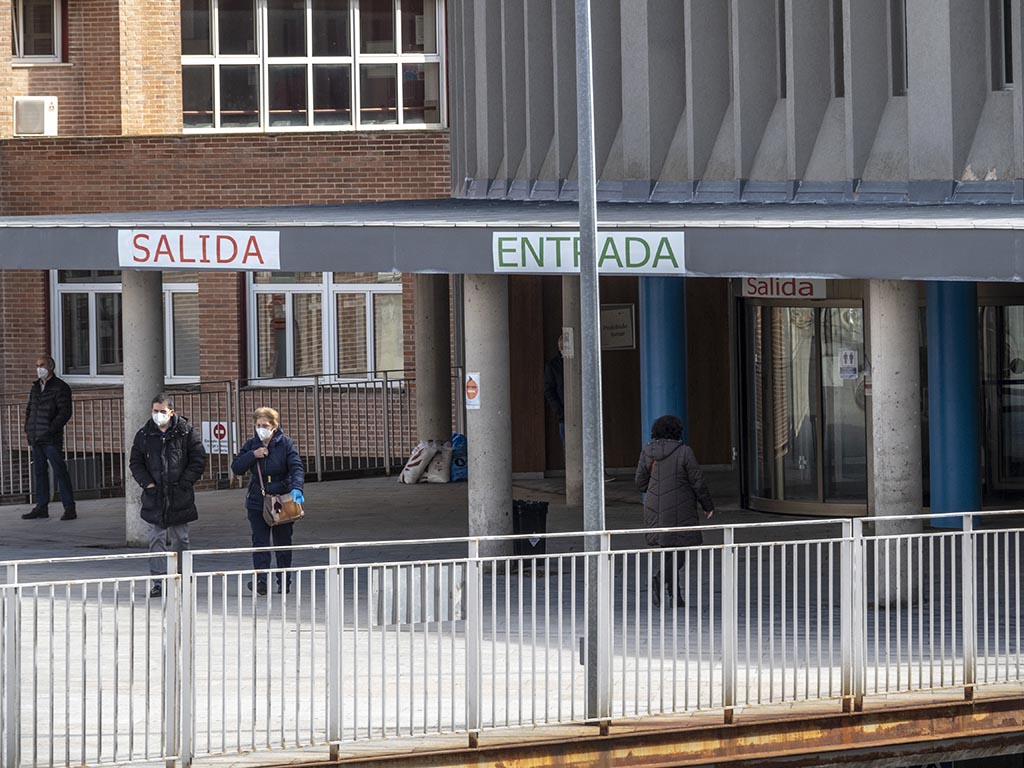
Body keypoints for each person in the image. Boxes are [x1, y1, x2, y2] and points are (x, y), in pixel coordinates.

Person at [129, 393, 208, 598]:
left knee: (181, 538)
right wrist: (148, 484)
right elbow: (136, 463)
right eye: (155, 411)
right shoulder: (144, 435)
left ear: (171, 412)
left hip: (179, 495)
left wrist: (185, 483)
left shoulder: (186, 432)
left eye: (162, 411)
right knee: (157, 539)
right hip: (155, 496)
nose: (158, 415)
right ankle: (159, 581)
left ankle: (181, 576)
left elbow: (198, 459)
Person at [634, 414, 714, 607]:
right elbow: (697, 481)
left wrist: (655, 489)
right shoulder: (685, 452)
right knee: (680, 551)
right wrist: (707, 505)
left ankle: (675, 596)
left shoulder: (647, 451)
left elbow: (640, 482)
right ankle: (659, 580)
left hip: (654, 506)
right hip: (681, 507)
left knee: (669, 550)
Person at [230, 407, 305, 596]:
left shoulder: (285, 443)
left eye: (265, 425)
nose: (261, 429)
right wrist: (252, 455)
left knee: (282, 542)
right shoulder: (251, 444)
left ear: (274, 426)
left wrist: (296, 487)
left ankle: (284, 581)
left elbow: (296, 467)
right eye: (258, 425)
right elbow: (237, 467)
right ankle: (261, 580)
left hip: (281, 498)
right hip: (258, 498)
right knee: (260, 542)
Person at [22, 355, 77, 520]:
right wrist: (28, 427)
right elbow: (30, 409)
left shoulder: (60, 387)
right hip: (36, 437)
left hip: (51, 438)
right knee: (40, 473)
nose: (39, 368)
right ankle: (41, 507)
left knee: (60, 471)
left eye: (42, 365)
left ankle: (69, 508)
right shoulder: (36, 387)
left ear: (51, 366)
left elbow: (65, 412)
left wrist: (50, 429)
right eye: (37, 365)